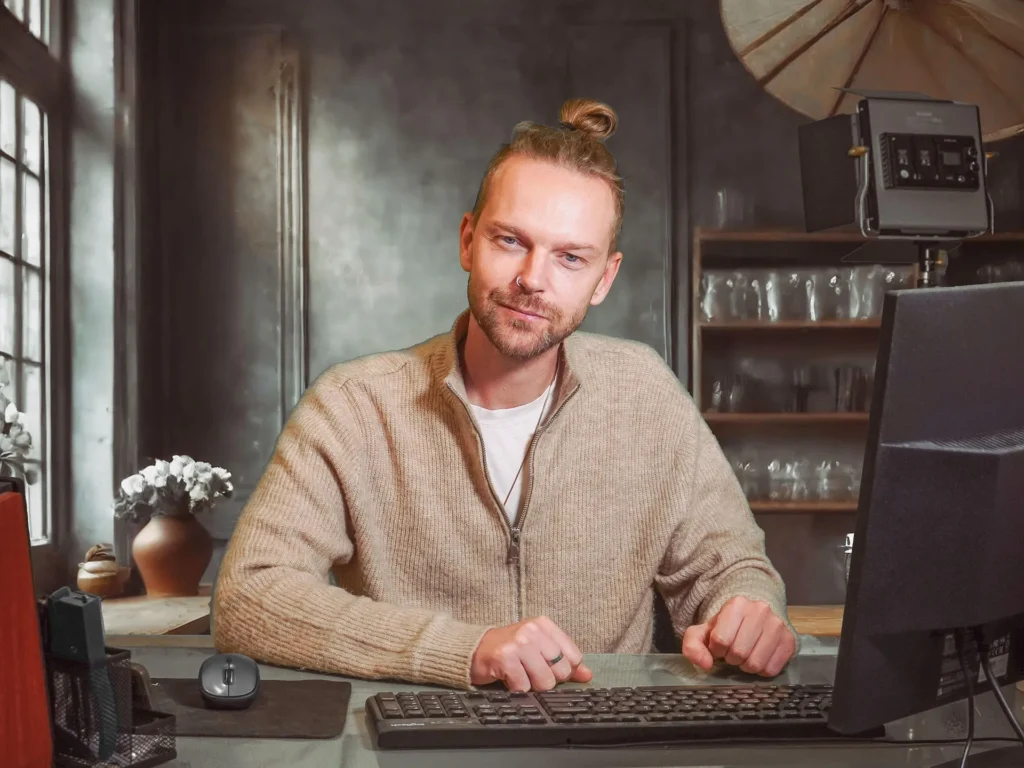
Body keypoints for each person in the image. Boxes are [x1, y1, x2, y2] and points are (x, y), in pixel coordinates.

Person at [213, 98, 798, 693]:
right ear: (468, 241)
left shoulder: (645, 393)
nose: (533, 279)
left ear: (605, 279)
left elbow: (730, 567)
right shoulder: (352, 406)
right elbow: (249, 596)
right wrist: (464, 650)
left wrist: (747, 610)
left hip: (606, 748)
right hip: (416, 747)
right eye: (511, 240)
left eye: (571, 257)